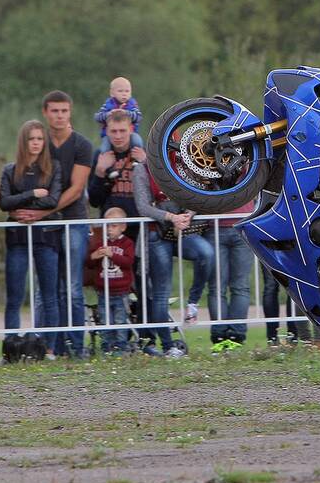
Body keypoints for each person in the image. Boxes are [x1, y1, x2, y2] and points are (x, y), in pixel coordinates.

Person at [133, 158, 214, 357]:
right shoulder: (142, 169)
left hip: (182, 230)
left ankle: (193, 302)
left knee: (206, 253)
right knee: (161, 292)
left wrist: (189, 214)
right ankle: (168, 345)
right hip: (156, 233)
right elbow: (143, 207)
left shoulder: (183, 163)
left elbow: (199, 192)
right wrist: (171, 217)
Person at [0, 119, 62, 356]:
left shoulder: (53, 168)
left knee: (49, 294)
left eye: (39, 139)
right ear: (23, 142)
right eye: (31, 139)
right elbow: (4, 202)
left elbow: (53, 200)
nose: (35, 143)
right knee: (14, 296)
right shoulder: (9, 170)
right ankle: (11, 349)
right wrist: (33, 194)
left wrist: (30, 209)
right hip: (17, 239)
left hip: (46, 237)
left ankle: (48, 348)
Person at [41, 91, 94, 359]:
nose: (59, 115)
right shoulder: (38, 143)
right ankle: (48, 346)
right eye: (54, 111)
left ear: (70, 112)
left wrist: (45, 209)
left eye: (64, 111)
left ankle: (76, 345)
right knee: (47, 288)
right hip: (46, 223)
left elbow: (76, 189)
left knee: (72, 287)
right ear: (45, 113)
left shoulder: (82, 145)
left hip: (73, 220)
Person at [89, 110, 145, 240]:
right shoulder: (100, 155)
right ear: (107, 132)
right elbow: (94, 201)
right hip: (110, 228)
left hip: (139, 224)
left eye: (122, 131)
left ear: (131, 130)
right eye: (113, 131)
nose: (118, 136)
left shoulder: (143, 154)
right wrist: (99, 172)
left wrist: (146, 164)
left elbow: (157, 193)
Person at [86, 207, 134, 355]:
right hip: (103, 291)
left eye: (113, 226)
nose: (109, 229)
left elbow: (128, 262)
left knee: (120, 320)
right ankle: (106, 347)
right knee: (105, 320)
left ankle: (121, 347)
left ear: (123, 227)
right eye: (107, 226)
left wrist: (111, 254)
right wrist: (94, 256)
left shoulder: (127, 243)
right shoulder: (100, 243)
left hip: (121, 292)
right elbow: (89, 263)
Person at [209, 202, 254, 352]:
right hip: (242, 222)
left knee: (217, 288)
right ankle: (236, 336)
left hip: (216, 223)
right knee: (240, 287)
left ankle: (220, 337)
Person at [94, 77, 143, 153]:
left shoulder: (132, 104)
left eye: (127, 91)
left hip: (131, 133)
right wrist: (108, 114)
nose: (124, 94)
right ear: (112, 93)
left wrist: (127, 113)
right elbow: (97, 117)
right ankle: (108, 161)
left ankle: (135, 160)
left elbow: (139, 117)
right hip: (108, 135)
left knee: (138, 142)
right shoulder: (108, 104)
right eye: (120, 91)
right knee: (104, 148)